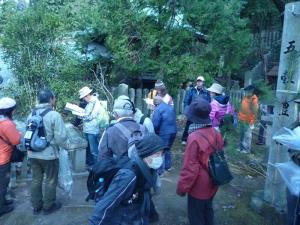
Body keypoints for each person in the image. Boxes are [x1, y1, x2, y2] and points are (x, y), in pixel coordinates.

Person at [89, 133, 166, 225]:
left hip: (137, 214)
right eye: (157, 154)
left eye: (161, 154)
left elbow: (144, 192)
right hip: (124, 218)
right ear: (146, 153)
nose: (160, 158)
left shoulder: (148, 168)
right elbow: (107, 204)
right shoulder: (129, 175)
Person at [27, 88, 76, 215]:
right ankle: (48, 206)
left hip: (32, 154)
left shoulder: (31, 114)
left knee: (36, 179)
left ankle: (36, 205)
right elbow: (61, 138)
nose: (55, 100)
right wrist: (67, 147)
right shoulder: (54, 115)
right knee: (50, 179)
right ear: (50, 99)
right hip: (49, 155)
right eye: (54, 98)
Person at [177, 97, 224, 225]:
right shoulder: (216, 133)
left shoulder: (193, 137)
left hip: (199, 185)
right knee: (208, 209)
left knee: (196, 216)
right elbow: (220, 156)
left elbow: (190, 167)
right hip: (214, 179)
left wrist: (182, 187)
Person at [0, 97, 21, 217]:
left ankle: (2, 201)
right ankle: (1, 208)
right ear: (9, 111)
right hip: (2, 159)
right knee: (2, 183)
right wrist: (20, 134)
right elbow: (16, 140)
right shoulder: (6, 123)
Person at [78, 86, 108, 168]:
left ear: (87, 95)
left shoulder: (95, 102)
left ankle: (97, 167)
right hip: (88, 129)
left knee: (94, 150)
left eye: (83, 97)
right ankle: (92, 165)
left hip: (93, 130)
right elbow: (87, 113)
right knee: (89, 149)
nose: (83, 99)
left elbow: (92, 115)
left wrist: (82, 116)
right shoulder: (90, 103)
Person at [182, 76, 211, 145]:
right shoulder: (191, 90)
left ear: (203, 83)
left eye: (200, 81)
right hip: (192, 111)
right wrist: (186, 112)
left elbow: (208, 102)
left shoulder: (206, 92)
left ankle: (197, 139)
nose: (199, 83)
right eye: (198, 81)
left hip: (200, 112)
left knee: (199, 126)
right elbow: (186, 101)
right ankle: (185, 139)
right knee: (188, 125)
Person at [152, 96, 177, 174]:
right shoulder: (170, 107)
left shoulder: (158, 109)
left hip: (164, 132)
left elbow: (155, 124)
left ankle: (160, 170)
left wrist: (154, 132)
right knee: (167, 148)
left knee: (161, 150)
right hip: (174, 131)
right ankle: (167, 166)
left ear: (156, 103)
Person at [238, 85, 259, 153]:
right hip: (241, 119)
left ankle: (246, 149)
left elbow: (255, 112)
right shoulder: (245, 98)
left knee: (247, 136)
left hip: (248, 121)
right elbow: (242, 108)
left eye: (247, 91)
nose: (246, 92)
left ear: (251, 91)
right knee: (241, 134)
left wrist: (252, 121)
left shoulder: (254, 100)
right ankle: (240, 147)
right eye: (246, 91)